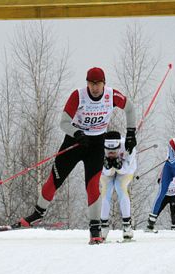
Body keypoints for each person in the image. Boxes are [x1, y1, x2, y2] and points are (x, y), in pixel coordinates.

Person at [16, 67, 136, 244]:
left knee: (93, 186)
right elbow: (63, 122)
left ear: (104, 84)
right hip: (75, 142)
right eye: (91, 84)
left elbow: (130, 108)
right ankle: (37, 214)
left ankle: (95, 230)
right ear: (87, 83)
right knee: (55, 178)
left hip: (96, 145)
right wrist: (77, 133)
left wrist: (131, 132)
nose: (94, 88)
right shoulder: (78, 95)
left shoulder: (111, 95)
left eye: (98, 84)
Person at [99, 131, 137, 243]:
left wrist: (118, 166)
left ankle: (127, 226)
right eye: (108, 151)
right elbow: (105, 173)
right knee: (106, 190)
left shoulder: (128, 146)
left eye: (114, 151)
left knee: (120, 186)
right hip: (107, 172)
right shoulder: (99, 147)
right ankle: (103, 227)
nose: (110, 153)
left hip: (126, 169)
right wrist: (108, 167)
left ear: (119, 146)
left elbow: (125, 169)